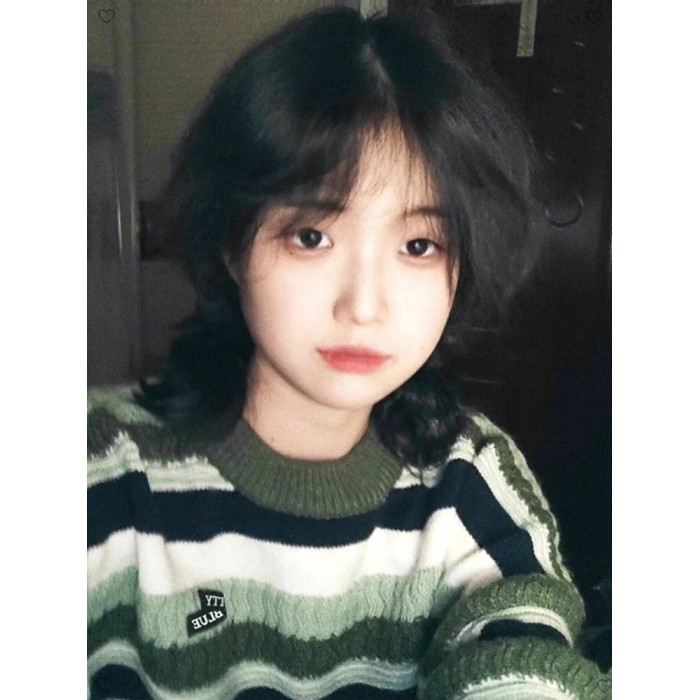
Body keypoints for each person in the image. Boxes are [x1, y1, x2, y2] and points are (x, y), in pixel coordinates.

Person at [88, 7, 608, 699]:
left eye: (418, 246)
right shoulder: (103, 471)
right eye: (312, 237)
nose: (365, 305)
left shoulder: (470, 484)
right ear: (232, 244)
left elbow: (522, 651)